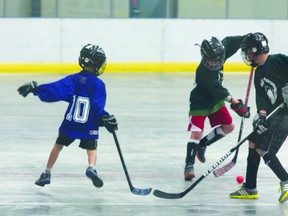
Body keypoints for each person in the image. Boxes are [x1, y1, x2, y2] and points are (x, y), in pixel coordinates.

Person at [17, 44, 118, 188]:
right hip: (88, 125)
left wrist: (37, 89)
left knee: (58, 146)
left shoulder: (73, 79)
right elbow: (97, 108)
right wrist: (105, 118)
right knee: (92, 150)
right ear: (97, 63)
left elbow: (55, 90)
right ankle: (91, 168)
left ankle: (46, 173)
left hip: (70, 123)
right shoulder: (99, 84)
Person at [230, 32, 288, 203]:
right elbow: (262, 99)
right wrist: (261, 116)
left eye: (248, 52)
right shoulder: (259, 73)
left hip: (285, 114)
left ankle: (286, 180)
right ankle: (250, 187)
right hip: (274, 113)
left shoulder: (278, 61)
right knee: (254, 141)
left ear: (255, 51)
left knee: (263, 148)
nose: (247, 56)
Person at [184, 35, 251, 181]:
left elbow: (237, 41)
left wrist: (251, 41)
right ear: (204, 56)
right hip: (200, 103)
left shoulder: (221, 50)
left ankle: (202, 145)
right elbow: (219, 90)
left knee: (229, 126)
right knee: (196, 133)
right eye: (210, 61)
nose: (214, 64)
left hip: (215, 101)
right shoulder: (202, 72)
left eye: (217, 61)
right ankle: (189, 166)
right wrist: (236, 104)